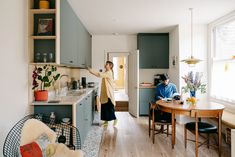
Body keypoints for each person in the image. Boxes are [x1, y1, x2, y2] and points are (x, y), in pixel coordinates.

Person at [87, 61, 117, 127]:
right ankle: (106, 122)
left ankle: (115, 119)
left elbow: (99, 74)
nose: (105, 65)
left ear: (110, 66)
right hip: (105, 94)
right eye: (105, 64)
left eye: (106, 64)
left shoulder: (109, 72)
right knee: (104, 108)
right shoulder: (107, 72)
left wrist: (90, 70)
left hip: (108, 94)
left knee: (109, 108)